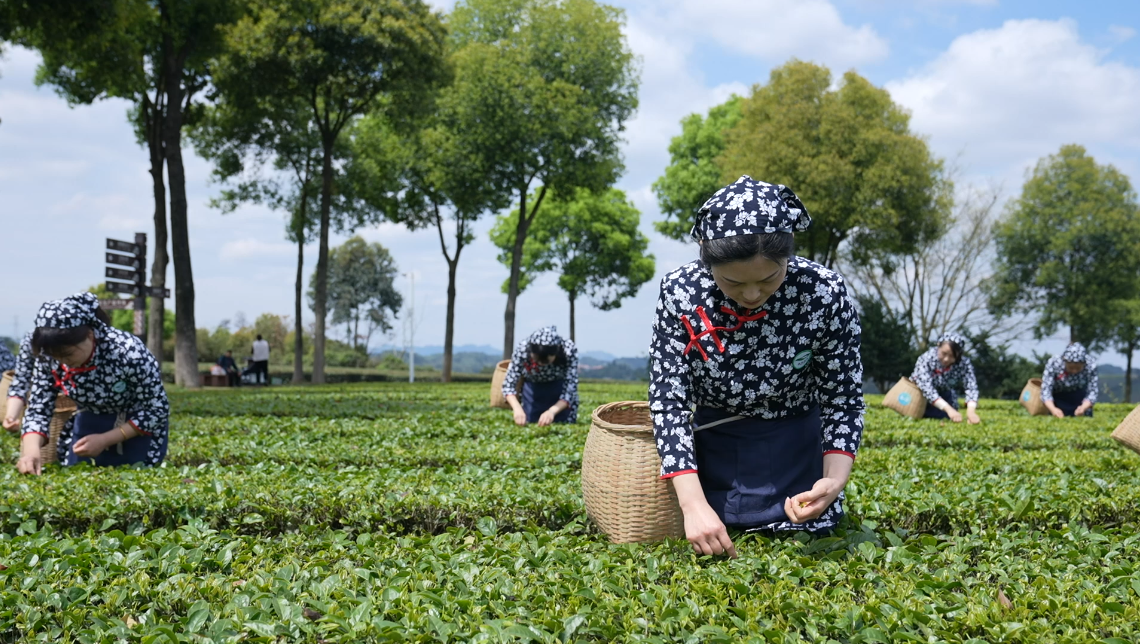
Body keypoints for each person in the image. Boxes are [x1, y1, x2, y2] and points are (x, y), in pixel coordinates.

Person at [649, 176, 865, 558]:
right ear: (706, 259)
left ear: (789, 258)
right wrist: (693, 506)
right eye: (732, 282)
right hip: (710, 453)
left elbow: (842, 398)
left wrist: (833, 480)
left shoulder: (823, 292)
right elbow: (669, 402)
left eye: (769, 279)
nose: (751, 295)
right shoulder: (681, 292)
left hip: (796, 454)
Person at [16, 293, 169, 475]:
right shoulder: (49, 357)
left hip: (136, 426)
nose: (63, 362)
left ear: (89, 335)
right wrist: (31, 452)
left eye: (68, 354)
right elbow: (38, 407)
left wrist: (105, 439)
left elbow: (157, 409)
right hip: (89, 421)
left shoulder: (127, 352)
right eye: (57, 357)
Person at [502, 326, 579, 427]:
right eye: (537, 359)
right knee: (531, 423)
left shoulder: (568, 349)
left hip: (559, 392)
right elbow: (508, 385)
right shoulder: (523, 348)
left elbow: (570, 388)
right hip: (532, 392)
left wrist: (552, 411)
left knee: (562, 424)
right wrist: (517, 409)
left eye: (546, 360)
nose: (541, 364)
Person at [910, 333, 981, 424]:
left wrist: (971, 412)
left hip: (946, 396)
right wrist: (949, 409)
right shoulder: (926, 359)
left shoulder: (964, 363)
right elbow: (927, 389)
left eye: (952, 356)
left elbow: (971, 386)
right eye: (944, 353)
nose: (946, 359)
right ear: (938, 346)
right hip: (920, 397)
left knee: (946, 419)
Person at [1041, 343, 1097, 417]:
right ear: (1065, 361)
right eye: (1071, 368)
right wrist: (1053, 409)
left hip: (1079, 398)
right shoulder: (1054, 363)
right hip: (1057, 397)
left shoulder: (1090, 365)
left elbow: (1092, 391)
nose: (1074, 371)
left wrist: (1083, 407)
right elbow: (1046, 390)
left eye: (1078, 368)